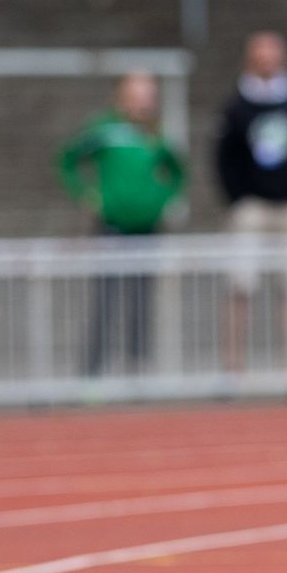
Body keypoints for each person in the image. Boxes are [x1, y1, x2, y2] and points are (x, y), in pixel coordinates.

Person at [55, 72, 186, 375]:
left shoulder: (156, 134)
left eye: (149, 93)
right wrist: (86, 194)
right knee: (105, 302)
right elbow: (67, 160)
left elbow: (178, 171)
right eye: (139, 92)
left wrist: (162, 199)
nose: (145, 99)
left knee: (141, 303)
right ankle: (93, 372)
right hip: (111, 225)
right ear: (123, 94)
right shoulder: (104, 128)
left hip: (146, 227)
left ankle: (138, 370)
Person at [215, 31, 287, 372]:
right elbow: (223, 157)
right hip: (252, 207)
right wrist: (237, 197)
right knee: (240, 285)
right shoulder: (236, 107)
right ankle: (234, 365)